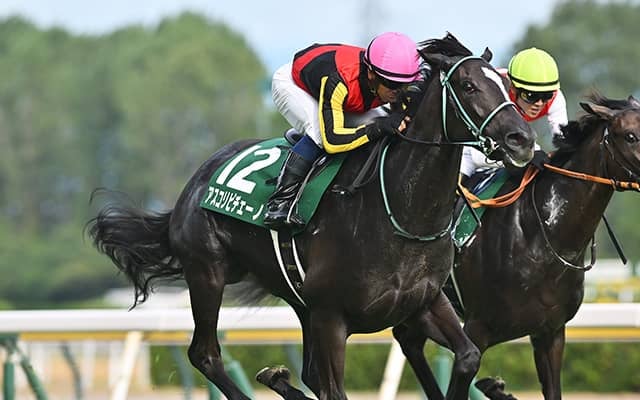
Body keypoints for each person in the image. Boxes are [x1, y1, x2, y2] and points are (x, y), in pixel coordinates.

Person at [264, 32, 422, 229]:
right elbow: (333, 141)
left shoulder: (391, 81)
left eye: (404, 85)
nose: (397, 91)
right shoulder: (339, 80)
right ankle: (279, 203)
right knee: (319, 135)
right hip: (295, 85)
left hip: (345, 95)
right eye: (392, 84)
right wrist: (377, 128)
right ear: (371, 74)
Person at [460, 47, 568, 180]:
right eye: (531, 96)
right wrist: (535, 150)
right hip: (469, 148)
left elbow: (563, 140)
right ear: (512, 87)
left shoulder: (556, 98)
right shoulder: (495, 88)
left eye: (546, 95)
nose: (539, 103)